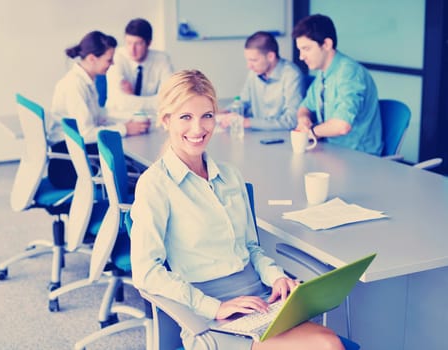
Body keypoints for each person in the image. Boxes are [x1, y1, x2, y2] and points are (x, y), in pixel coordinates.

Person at [130, 69, 344, 350]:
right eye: (186, 117)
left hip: (260, 299)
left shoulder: (230, 176)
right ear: (166, 120)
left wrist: (276, 276)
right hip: (210, 318)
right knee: (326, 345)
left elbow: (252, 248)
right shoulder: (155, 185)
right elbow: (146, 271)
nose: (198, 129)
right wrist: (214, 307)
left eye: (207, 115)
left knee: (328, 341)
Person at [47, 30, 150, 189]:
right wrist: (125, 129)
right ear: (92, 59)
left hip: (78, 154)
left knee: (133, 169)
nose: (113, 64)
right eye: (109, 60)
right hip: (68, 164)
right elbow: (86, 133)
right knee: (138, 178)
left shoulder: (86, 79)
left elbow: (101, 116)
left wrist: (128, 122)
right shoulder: (74, 86)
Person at [292, 14, 383, 155]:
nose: (301, 56)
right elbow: (304, 106)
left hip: (358, 157)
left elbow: (342, 125)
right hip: (331, 151)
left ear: (327, 44)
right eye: (300, 50)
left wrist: (310, 132)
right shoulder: (323, 73)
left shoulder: (349, 73)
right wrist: (303, 119)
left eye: (306, 49)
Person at [218, 31, 303, 131]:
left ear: (271, 56)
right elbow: (243, 102)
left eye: (254, 60)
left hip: (282, 137)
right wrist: (226, 111)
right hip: (256, 134)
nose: (249, 66)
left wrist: (248, 122)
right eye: (248, 60)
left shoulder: (292, 75)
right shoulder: (255, 72)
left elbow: (291, 120)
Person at [105, 18, 174, 115]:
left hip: (151, 119)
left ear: (149, 43)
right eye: (128, 43)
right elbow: (119, 102)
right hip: (119, 117)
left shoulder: (162, 59)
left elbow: (168, 100)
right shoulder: (116, 57)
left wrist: (131, 96)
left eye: (138, 44)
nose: (132, 49)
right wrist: (155, 101)